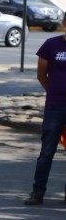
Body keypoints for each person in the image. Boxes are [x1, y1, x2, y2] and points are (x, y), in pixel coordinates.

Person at [24, 16, 66, 205]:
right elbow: (41, 74)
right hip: (55, 107)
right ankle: (37, 192)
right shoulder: (51, 44)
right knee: (47, 151)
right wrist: (53, 92)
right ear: (64, 24)